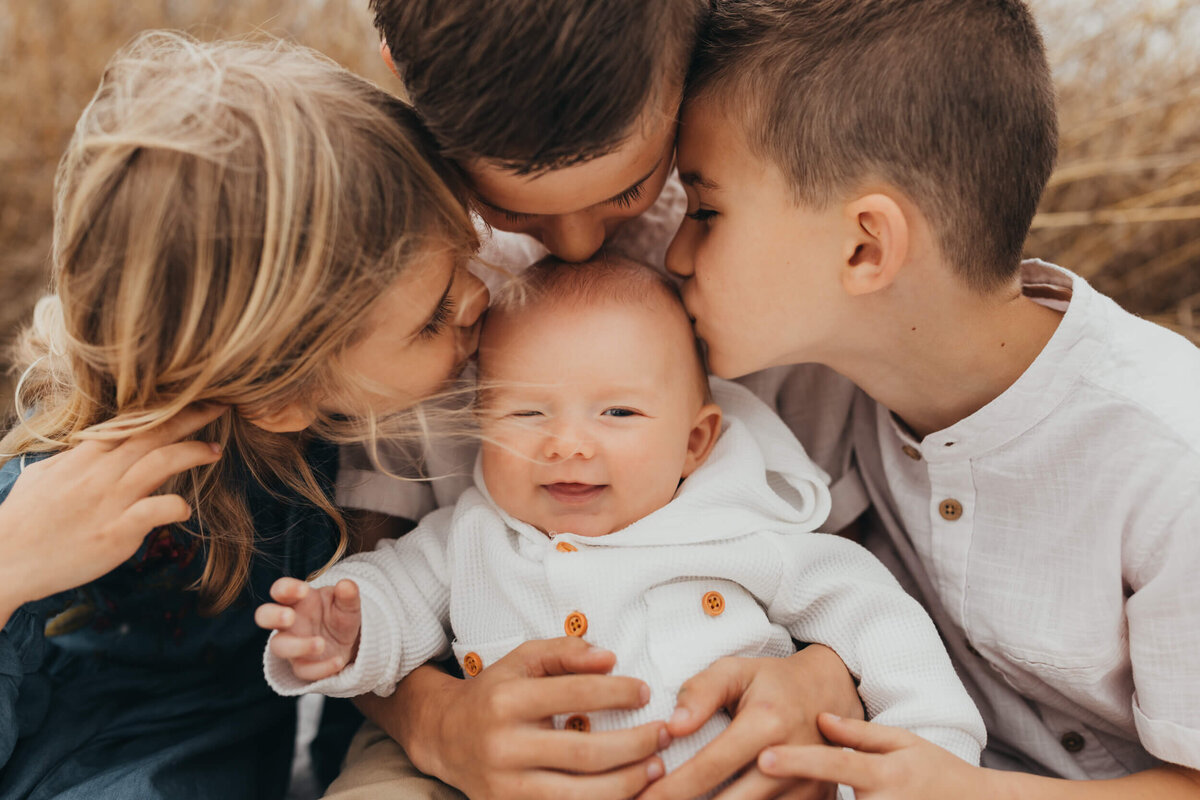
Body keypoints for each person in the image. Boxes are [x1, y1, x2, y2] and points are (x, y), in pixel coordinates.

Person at [663, 0, 1200, 797]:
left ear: (865, 246)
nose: (676, 252)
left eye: (706, 211)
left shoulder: (1169, 458)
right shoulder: (806, 387)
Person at [332, 4, 868, 798]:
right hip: (444, 716)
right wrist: (436, 724)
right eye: (512, 205)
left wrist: (825, 678)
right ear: (400, 71)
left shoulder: (771, 247)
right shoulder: (419, 274)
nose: (576, 244)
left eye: (630, 186)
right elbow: (363, 571)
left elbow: (850, 564)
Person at [259, 257, 985, 793]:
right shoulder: (472, 536)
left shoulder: (743, 531)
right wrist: (344, 624)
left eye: (618, 413)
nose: (568, 443)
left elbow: (879, 620)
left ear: (695, 443)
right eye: (528, 413)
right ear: (480, 426)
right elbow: (393, 592)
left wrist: (932, 750)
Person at [0, 31, 488, 799]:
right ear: (279, 395)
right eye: (432, 317)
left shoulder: (320, 446)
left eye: (468, 259)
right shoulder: (66, 500)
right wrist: (10, 567)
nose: (479, 299)